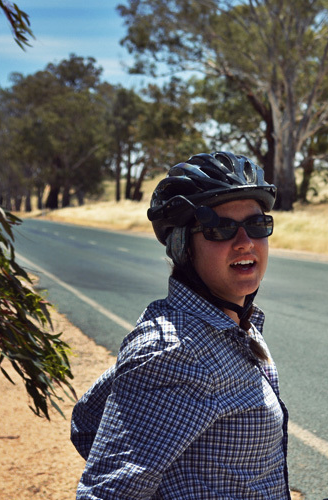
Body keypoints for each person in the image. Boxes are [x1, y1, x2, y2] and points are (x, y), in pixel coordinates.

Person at [70, 152, 289, 499]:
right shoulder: (174, 351)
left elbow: (89, 422)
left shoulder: (237, 327)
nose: (245, 241)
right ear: (183, 246)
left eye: (257, 225)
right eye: (220, 228)